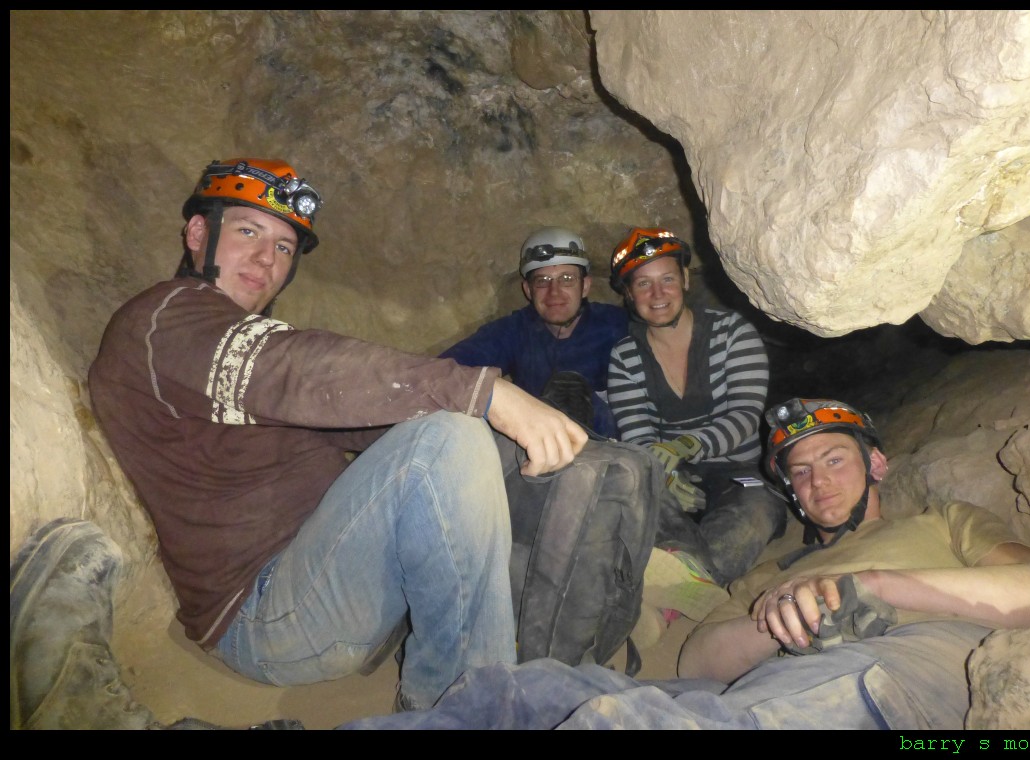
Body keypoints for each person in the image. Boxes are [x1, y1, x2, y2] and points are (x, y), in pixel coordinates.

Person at [81, 158, 588, 715]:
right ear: (199, 233)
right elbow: (300, 372)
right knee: (448, 438)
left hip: (333, 576)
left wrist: (514, 434)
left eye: (282, 246)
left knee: (467, 438)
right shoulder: (165, 318)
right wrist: (488, 395)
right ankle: (466, 713)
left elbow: (356, 415)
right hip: (267, 614)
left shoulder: (240, 342)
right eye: (248, 231)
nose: (265, 257)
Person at [332, 396, 1030, 729]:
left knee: (624, 721)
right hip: (756, 687)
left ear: (877, 463)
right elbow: (703, 654)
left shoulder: (941, 523)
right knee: (522, 693)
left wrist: (875, 586)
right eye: (802, 472)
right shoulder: (773, 570)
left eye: (834, 460)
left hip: (896, 673)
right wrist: (779, 623)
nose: (817, 480)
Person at [606, 227, 788, 599]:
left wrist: (686, 445)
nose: (658, 294)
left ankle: (675, 595)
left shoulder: (733, 333)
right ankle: (641, 589)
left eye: (667, 279)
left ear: (685, 279)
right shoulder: (625, 357)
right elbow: (638, 436)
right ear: (628, 294)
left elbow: (745, 415)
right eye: (643, 284)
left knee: (756, 511)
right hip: (672, 475)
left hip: (737, 471)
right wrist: (665, 473)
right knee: (629, 508)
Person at [439, 227, 628, 438]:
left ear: (585, 286)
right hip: (538, 448)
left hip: (611, 450)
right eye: (542, 281)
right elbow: (445, 371)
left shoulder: (617, 325)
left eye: (567, 279)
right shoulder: (515, 331)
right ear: (528, 290)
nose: (554, 292)